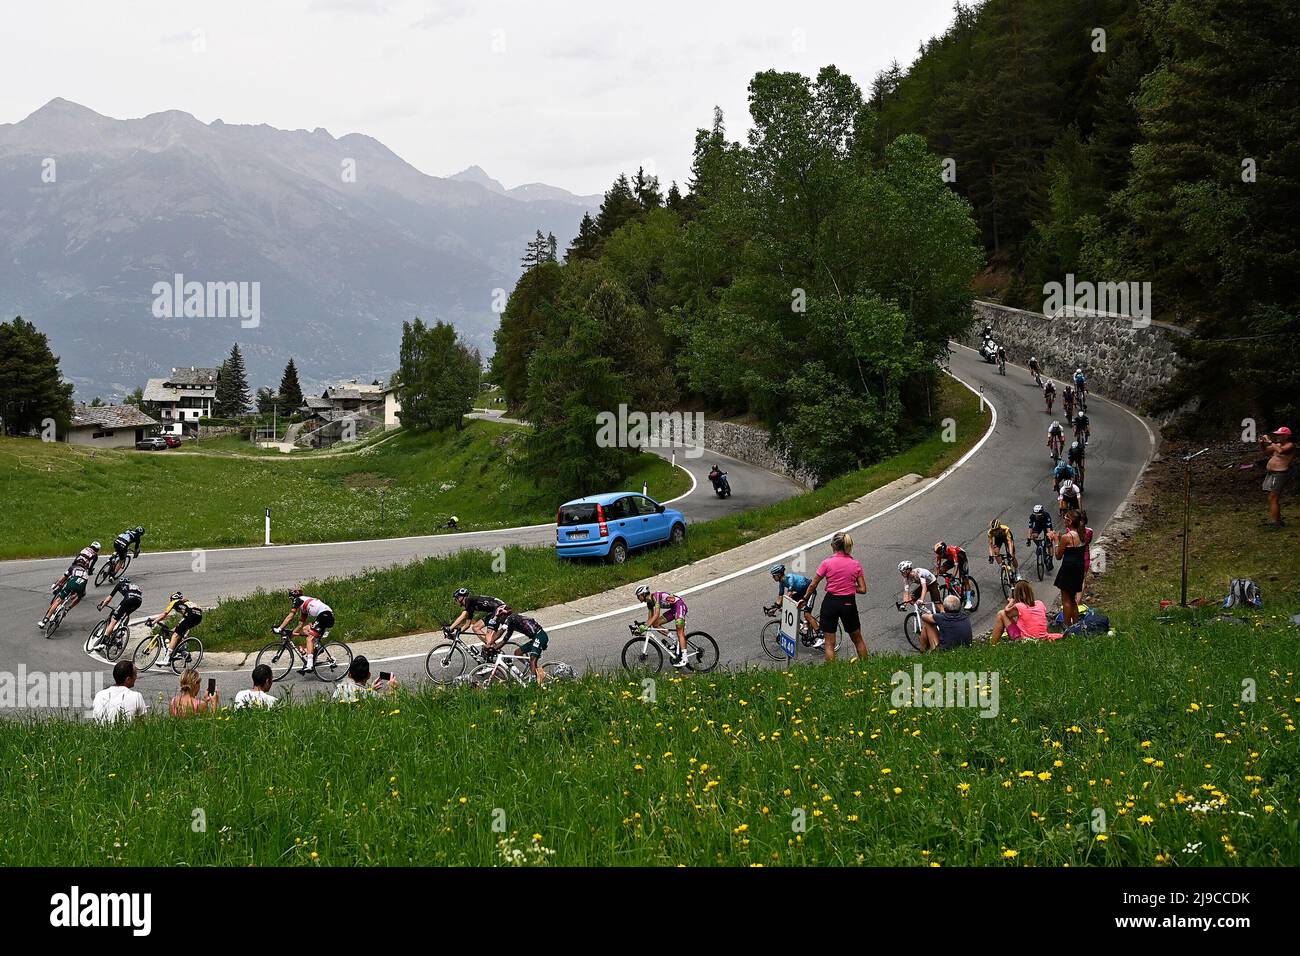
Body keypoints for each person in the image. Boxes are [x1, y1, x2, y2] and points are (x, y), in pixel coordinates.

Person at [803, 531, 869, 662]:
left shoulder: (826, 563)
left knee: (829, 643)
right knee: (857, 639)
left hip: (831, 602)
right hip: (848, 603)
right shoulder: (855, 564)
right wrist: (849, 586)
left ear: (833, 545)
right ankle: (866, 667)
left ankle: (832, 672)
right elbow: (863, 589)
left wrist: (805, 598)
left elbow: (813, 584)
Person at [275, 588, 334, 674]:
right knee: (305, 629)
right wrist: (291, 635)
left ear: (294, 597)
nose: (292, 601)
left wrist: (279, 628)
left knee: (309, 639)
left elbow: (290, 616)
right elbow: (300, 625)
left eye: (291, 599)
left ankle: (309, 665)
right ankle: (316, 647)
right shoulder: (304, 608)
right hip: (324, 615)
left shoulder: (299, 599)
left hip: (325, 615)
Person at [491, 605, 550, 684]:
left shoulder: (511, 617)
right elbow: (504, 640)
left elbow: (501, 631)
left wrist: (490, 643)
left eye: (499, 617)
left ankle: (534, 683)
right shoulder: (511, 625)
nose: (498, 620)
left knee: (532, 658)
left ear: (504, 615)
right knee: (518, 652)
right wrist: (493, 648)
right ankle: (533, 669)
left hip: (540, 635)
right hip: (536, 638)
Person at [767, 563, 822, 647]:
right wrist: (774, 608)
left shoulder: (789, 578)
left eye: (773, 575)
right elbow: (780, 597)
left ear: (778, 575)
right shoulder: (781, 583)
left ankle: (820, 634)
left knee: (806, 614)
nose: (773, 577)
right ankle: (802, 625)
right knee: (791, 604)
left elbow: (789, 594)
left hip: (810, 591)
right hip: (801, 592)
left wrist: (784, 606)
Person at [635, 585, 691, 667]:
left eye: (638, 596)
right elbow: (650, 620)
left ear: (643, 594)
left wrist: (646, 626)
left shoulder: (656, 596)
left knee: (679, 630)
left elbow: (656, 614)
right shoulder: (649, 603)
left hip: (679, 605)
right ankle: (674, 639)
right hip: (673, 609)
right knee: (655, 624)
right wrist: (640, 628)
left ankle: (685, 659)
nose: (638, 598)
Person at [143, 591, 203, 664]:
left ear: (172, 599)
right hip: (198, 616)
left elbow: (165, 614)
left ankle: (166, 659)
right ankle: (183, 651)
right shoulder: (185, 603)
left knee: (175, 634)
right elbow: (182, 616)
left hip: (191, 615)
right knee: (176, 630)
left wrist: (153, 622)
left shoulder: (174, 602)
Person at [40, 549, 95, 627]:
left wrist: (56, 584)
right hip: (81, 585)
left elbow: (63, 578)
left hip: (71, 583)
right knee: (78, 597)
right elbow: (83, 589)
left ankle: (45, 620)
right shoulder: (86, 572)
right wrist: (77, 595)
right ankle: (67, 609)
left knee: (58, 600)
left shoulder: (73, 567)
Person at [1051, 510, 1087, 628]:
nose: (1063, 519)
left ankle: (1066, 626)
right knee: (1072, 600)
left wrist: (1056, 540)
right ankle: (1075, 624)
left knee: (1066, 600)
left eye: (1065, 518)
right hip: (1078, 569)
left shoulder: (1067, 537)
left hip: (1068, 569)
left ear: (1070, 521)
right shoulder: (1082, 534)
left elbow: (1058, 556)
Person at [93, 576, 143, 651]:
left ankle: (102, 644)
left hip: (128, 599)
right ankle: (121, 631)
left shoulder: (120, 585)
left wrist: (102, 606)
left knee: (114, 620)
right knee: (126, 614)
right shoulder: (135, 586)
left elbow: (109, 599)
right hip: (138, 601)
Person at [1259, 426, 1295, 527]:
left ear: (1286, 436)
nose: (1278, 436)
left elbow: (1280, 451)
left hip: (1280, 474)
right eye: (1277, 435)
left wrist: (1270, 441)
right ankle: (1277, 520)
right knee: (1272, 498)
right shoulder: (1277, 444)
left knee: (1273, 497)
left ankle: (1275, 522)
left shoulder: (1290, 445)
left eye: (1280, 435)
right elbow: (1265, 450)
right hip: (1272, 474)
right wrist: (1262, 442)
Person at [91, 660, 148, 724]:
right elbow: (142, 723)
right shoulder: (136, 696)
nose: (136, 677)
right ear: (128, 679)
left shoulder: (99, 695)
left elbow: (95, 720)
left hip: (101, 733)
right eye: (135, 675)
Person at [332, 655, 397, 702]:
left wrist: (370, 690)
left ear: (349, 675)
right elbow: (391, 705)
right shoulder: (372, 695)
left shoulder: (339, 689)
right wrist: (392, 689)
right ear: (368, 675)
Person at [933, 540, 975, 610]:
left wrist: (953, 576)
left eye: (940, 553)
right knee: (941, 570)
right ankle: (955, 585)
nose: (939, 555)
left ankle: (969, 601)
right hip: (951, 560)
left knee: (964, 578)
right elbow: (938, 569)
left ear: (943, 550)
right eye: (938, 554)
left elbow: (956, 566)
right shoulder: (939, 555)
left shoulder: (952, 550)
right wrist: (935, 579)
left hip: (961, 558)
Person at [1027, 504, 1054, 571]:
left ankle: (1050, 559)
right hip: (1038, 525)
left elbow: (1048, 530)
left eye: (1038, 515)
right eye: (1035, 515)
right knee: (1033, 535)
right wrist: (1028, 539)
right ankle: (1039, 545)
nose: (1036, 516)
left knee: (1049, 543)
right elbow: (1030, 529)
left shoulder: (1046, 516)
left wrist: (1049, 538)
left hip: (1046, 526)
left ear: (1042, 514)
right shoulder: (1032, 516)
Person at [1078, 510, 1095, 603]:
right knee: (1082, 580)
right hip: (1085, 556)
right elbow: (1088, 542)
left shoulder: (1070, 531)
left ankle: (1073, 601)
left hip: (1075, 557)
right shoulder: (1089, 531)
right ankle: (1078, 601)